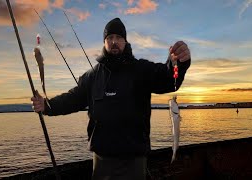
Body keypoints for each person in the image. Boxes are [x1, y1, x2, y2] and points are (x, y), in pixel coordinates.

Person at [31, 17, 191, 180]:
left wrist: (177, 64)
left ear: (125, 41)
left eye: (119, 37)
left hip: (134, 159)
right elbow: (72, 99)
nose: (114, 41)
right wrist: (47, 105)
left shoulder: (141, 70)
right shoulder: (92, 76)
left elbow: (169, 80)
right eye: (110, 38)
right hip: (101, 159)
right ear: (104, 42)